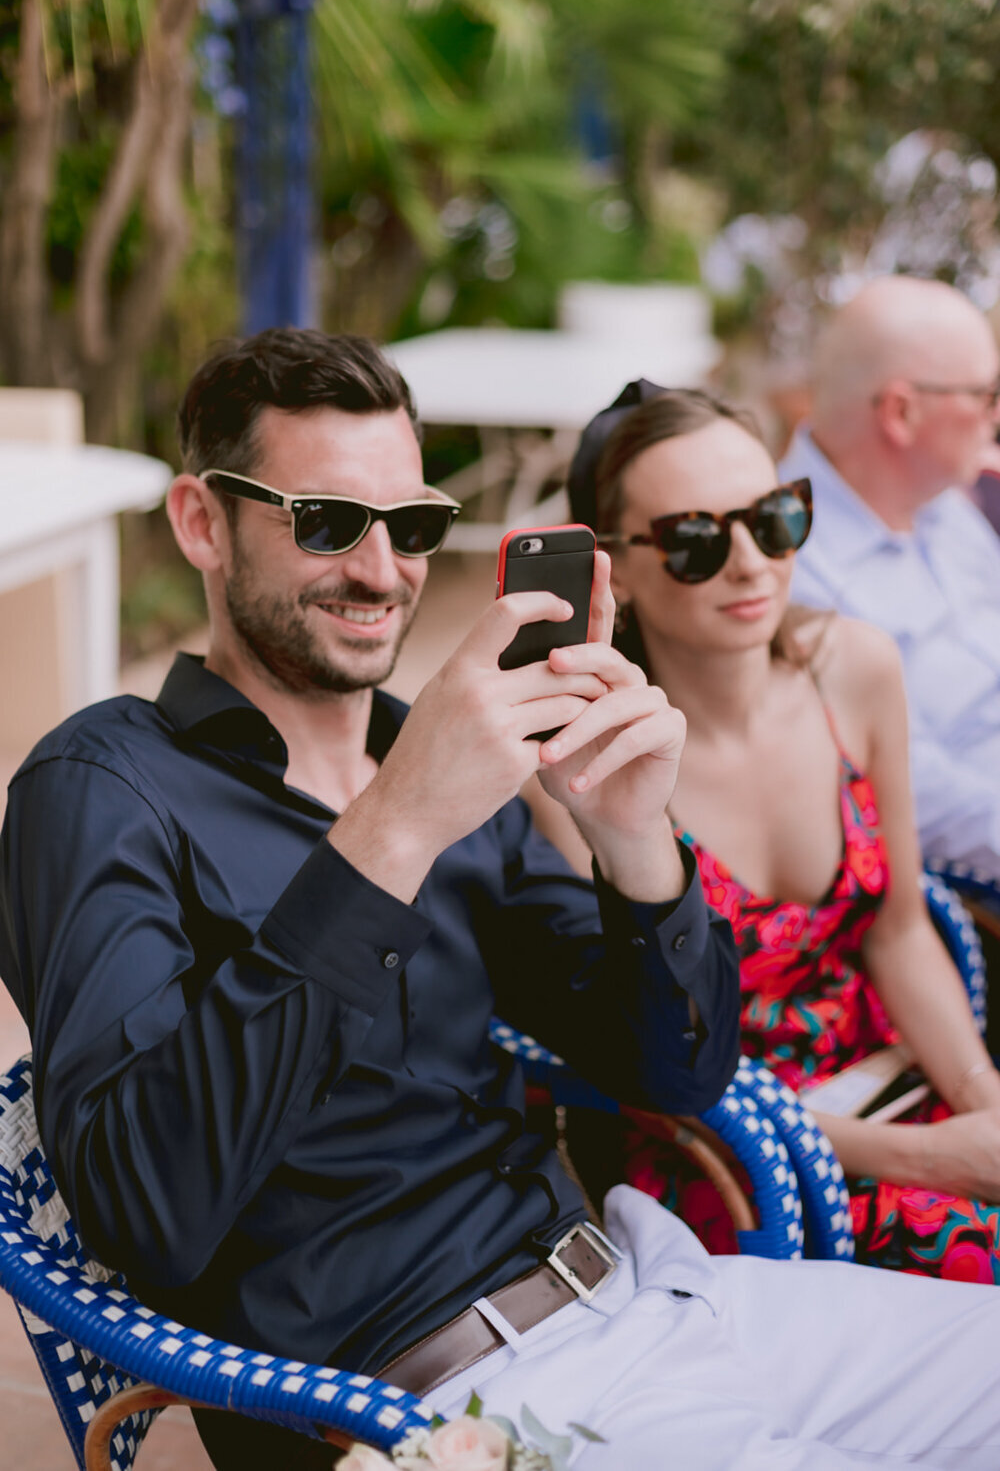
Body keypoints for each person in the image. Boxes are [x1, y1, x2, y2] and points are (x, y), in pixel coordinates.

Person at [3, 332, 1000, 1471]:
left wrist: (632, 842)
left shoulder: (455, 765)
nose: (381, 572)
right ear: (201, 524)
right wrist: (390, 828)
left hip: (660, 1289)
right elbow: (147, 1208)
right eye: (326, 521)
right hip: (448, 1403)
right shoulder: (101, 786)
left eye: (412, 527)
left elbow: (677, 1071)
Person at [556, 379, 1000, 1286]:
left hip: (900, 1084)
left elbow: (901, 927)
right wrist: (920, 1159)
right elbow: (644, 1070)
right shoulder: (579, 759)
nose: (752, 561)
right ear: (618, 570)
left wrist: (981, 1104)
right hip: (738, 1158)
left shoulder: (857, 669)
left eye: (774, 518)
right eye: (694, 539)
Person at [776, 275, 1000, 881]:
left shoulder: (945, 501)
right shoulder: (783, 567)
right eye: (986, 394)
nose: (994, 416)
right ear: (902, 412)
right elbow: (916, 795)